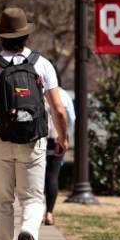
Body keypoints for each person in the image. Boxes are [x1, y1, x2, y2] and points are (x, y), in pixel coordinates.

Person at [0, 7, 68, 240]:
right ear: (26, 35)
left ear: (1, 37)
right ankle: (29, 232)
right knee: (33, 198)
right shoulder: (42, 64)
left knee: (3, 203)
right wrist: (62, 137)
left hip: (1, 139)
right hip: (34, 141)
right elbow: (58, 110)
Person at [44, 79, 75, 226]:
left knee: (35, 179)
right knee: (52, 176)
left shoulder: (35, 91)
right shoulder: (63, 95)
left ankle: (34, 214)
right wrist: (63, 136)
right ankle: (49, 214)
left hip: (36, 139)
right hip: (58, 138)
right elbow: (71, 118)